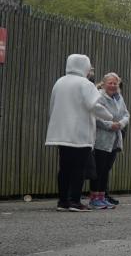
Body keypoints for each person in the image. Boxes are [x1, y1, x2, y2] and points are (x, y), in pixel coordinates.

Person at [45, 54, 111, 211]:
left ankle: (63, 201)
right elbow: (94, 105)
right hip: (80, 132)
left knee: (64, 167)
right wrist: (109, 116)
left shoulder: (59, 82)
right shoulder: (85, 84)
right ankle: (75, 200)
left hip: (61, 133)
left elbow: (52, 105)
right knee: (79, 168)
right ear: (84, 67)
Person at [89, 72, 130, 209]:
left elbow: (126, 114)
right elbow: (95, 116)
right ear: (104, 83)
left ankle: (102, 196)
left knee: (106, 169)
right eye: (110, 83)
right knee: (99, 169)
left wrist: (121, 124)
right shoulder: (99, 96)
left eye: (115, 83)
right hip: (101, 138)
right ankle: (94, 198)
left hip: (114, 139)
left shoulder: (119, 97)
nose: (113, 86)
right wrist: (109, 125)